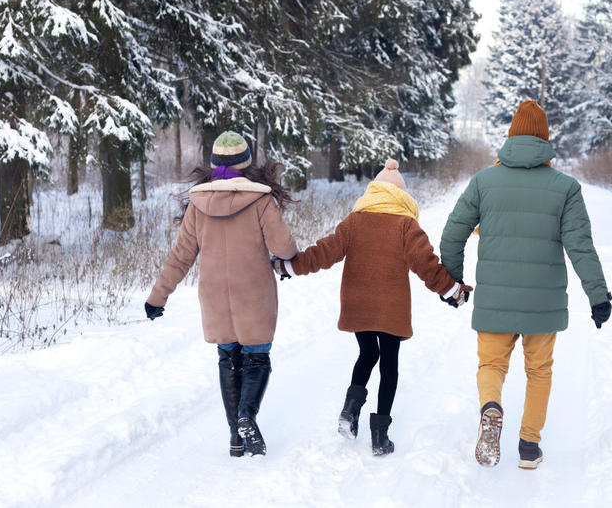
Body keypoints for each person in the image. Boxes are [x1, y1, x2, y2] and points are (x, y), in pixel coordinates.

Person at [439, 100, 612, 469]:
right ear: (545, 140)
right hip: (542, 305)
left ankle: (491, 407)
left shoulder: (484, 181)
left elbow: (453, 234)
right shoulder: (565, 187)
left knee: (491, 364)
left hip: (495, 299)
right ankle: (529, 448)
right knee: (539, 370)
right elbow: (580, 245)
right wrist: (598, 295)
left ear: (511, 136)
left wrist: (454, 281)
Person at [272, 159, 473, 456]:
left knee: (367, 354)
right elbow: (427, 266)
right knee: (389, 364)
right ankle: (380, 436)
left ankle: (350, 410)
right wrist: (452, 290)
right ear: (401, 196)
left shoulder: (355, 221)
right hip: (391, 307)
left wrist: (290, 265)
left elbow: (324, 252)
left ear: (374, 191)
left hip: (358, 303)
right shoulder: (406, 224)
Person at [144, 130, 298, 457]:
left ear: (213, 164)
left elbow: (181, 256)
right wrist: (289, 256)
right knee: (257, 357)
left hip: (214, 296)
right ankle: (246, 416)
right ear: (246, 164)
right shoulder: (260, 200)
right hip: (254, 292)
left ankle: (235, 438)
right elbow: (283, 246)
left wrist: (157, 297)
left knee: (228, 358)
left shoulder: (198, 204)